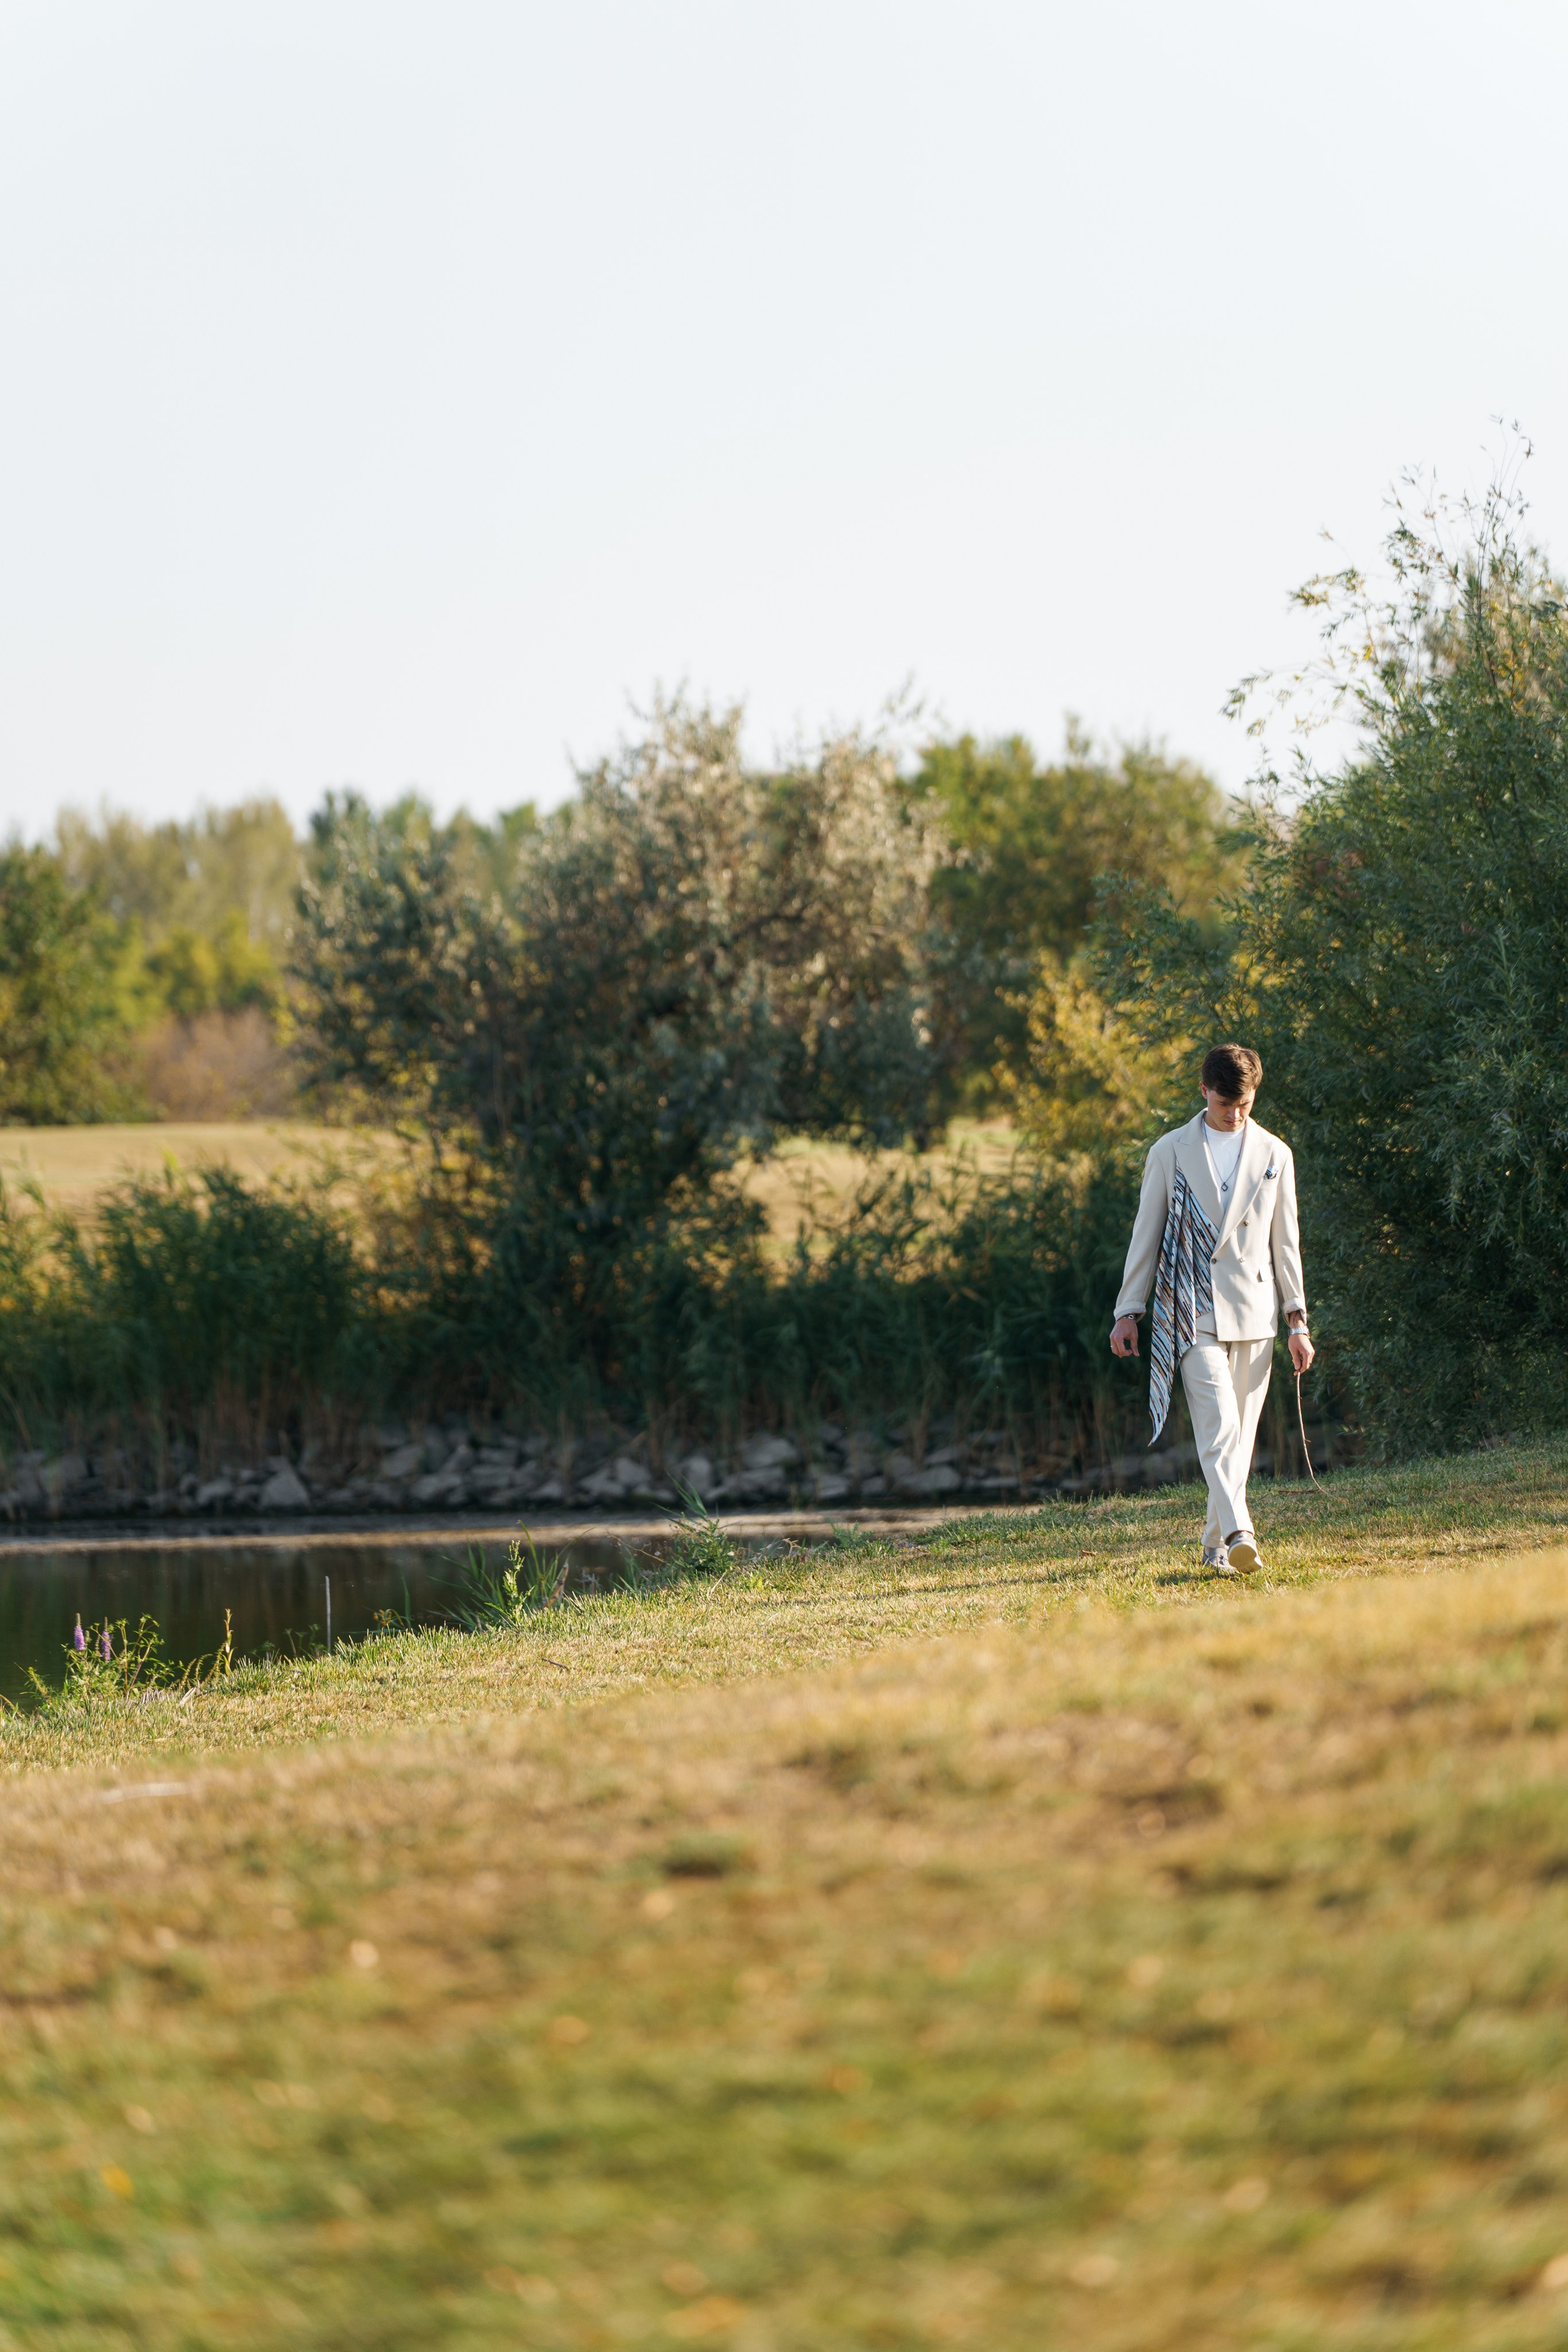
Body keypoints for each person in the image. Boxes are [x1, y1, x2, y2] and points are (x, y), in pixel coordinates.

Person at [1109, 1042, 1312, 1575]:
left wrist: (1297, 1320)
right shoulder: (1169, 1150)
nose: (1236, 1114)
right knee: (1219, 1425)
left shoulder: (1276, 1154)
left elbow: (1285, 1244)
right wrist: (1128, 1310)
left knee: (1239, 1440)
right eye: (1226, 1103)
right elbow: (1145, 1236)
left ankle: (1213, 1546)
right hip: (1189, 1309)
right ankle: (1242, 1530)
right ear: (1204, 1091)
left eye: (1244, 1104)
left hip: (1256, 1311)